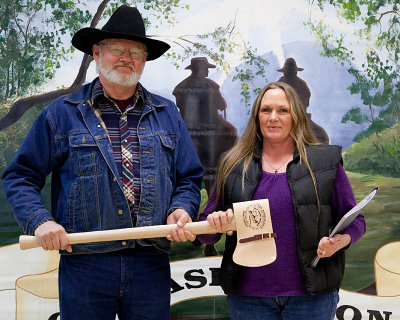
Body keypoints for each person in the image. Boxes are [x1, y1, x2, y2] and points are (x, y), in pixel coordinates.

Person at [2, 5, 203, 320]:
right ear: (96, 53)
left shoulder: (167, 114)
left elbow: (189, 178)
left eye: (135, 52)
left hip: (150, 263)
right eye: (117, 50)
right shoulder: (61, 114)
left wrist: (183, 207)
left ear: (145, 60)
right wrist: (41, 221)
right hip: (85, 264)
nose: (127, 58)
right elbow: (20, 177)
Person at [197, 81, 366, 320]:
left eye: (282, 110)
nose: (273, 117)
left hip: (312, 298)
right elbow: (205, 232)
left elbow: (356, 220)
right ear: (257, 116)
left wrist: (341, 241)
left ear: (295, 116)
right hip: (248, 298)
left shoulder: (324, 162)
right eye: (266, 110)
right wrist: (214, 224)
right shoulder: (232, 164)